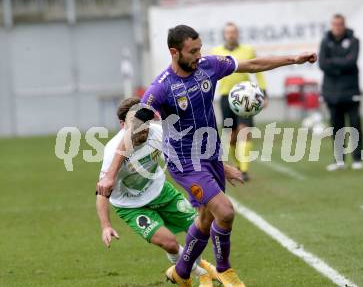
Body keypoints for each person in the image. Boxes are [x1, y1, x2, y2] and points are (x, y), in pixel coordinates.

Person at [97, 25, 317, 287]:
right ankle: (224, 269)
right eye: (192, 51)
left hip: (211, 155)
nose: (198, 55)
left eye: (199, 49)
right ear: (174, 52)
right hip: (185, 162)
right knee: (225, 211)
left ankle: (180, 271)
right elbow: (131, 130)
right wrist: (110, 175)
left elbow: (253, 64)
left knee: (205, 219)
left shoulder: (209, 66)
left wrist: (293, 59)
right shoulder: (161, 88)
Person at [96, 97, 218, 287]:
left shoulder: (158, 132)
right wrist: (105, 225)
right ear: (123, 125)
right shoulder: (113, 150)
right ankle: (199, 273)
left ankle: (188, 268)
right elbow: (102, 191)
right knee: (169, 243)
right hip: (131, 206)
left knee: (200, 228)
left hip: (160, 191)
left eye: (144, 120)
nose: (142, 127)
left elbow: (185, 157)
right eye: (135, 123)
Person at [212, 22, 267, 181]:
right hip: (225, 97)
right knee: (232, 137)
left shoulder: (248, 50)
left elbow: (259, 71)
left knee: (245, 130)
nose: (231, 35)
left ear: (237, 34)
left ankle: (243, 170)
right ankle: (238, 164)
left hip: (246, 99)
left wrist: (264, 93)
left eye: (234, 32)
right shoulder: (217, 52)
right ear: (224, 35)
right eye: (228, 32)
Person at [318, 14, 363, 171]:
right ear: (331, 25)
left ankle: (358, 158)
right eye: (334, 24)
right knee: (337, 127)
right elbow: (323, 63)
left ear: (344, 25)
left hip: (351, 90)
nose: (337, 27)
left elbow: (351, 62)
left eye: (340, 24)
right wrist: (340, 63)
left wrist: (334, 62)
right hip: (331, 91)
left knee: (355, 124)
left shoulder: (353, 41)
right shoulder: (325, 41)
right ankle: (339, 160)